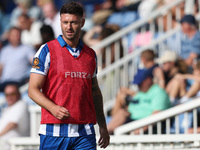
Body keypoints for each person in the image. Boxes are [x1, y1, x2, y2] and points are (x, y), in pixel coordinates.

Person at [28, 2, 110, 149]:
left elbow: (95, 91)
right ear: (60, 22)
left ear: (82, 23)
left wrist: (103, 126)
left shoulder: (90, 55)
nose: (69, 27)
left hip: (85, 133)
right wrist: (52, 108)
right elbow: (33, 90)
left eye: (73, 22)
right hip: (53, 133)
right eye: (65, 22)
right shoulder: (46, 50)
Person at [107, 68, 171, 134]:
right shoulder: (140, 93)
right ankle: (106, 134)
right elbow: (129, 109)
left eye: (140, 83)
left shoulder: (159, 92)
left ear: (148, 80)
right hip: (132, 122)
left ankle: (106, 136)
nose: (138, 85)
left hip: (146, 125)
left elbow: (156, 115)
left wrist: (140, 130)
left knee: (121, 116)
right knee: (121, 113)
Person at [0, 26, 35, 91]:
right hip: (4, 82)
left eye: (18, 35)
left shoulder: (27, 48)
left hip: (19, 82)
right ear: (9, 37)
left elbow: (35, 63)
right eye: (14, 35)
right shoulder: (4, 51)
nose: (17, 37)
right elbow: (1, 69)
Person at [0, 84, 30, 150]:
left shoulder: (21, 105)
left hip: (14, 146)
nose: (9, 97)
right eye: (7, 95)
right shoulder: (8, 108)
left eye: (12, 94)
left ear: (19, 94)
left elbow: (12, 124)